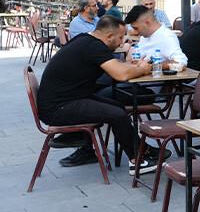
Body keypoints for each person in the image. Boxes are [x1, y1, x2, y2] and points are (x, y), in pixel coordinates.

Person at [37, 15, 166, 173]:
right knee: (117, 114)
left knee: (118, 107)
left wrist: (126, 65)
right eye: (120, 38)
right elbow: (121, 75)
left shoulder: (86, 40)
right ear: (109, 36)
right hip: (58, 108)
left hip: (66, 100)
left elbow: (115, 68)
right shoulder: (95, 47)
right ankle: (137, 161)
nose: (121, 42)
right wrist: (142, 69)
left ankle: (141, 149)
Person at [124, 6, 188, 69]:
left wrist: (151, 66)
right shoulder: (144, 37)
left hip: (155, 78)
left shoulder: (167, 36)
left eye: (136, 28)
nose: (135, 32)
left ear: (147, 23)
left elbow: (181, 63)